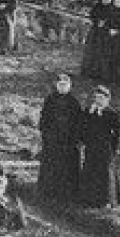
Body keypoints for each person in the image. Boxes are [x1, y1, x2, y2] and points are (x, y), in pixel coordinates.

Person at [37, 73, 82, 205]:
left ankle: (66, 194)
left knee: (66, 168)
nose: (62, 87)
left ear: (69, 86)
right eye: (60, 85)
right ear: (56, 86)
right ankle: (48, 193)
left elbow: (78, 123)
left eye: (65, 85)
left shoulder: (74, 102)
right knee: (51, 167)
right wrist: (46, 135)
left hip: (68, 143)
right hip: (52, 141)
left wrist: (74, 139)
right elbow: (44, 119)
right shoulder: (50, 100)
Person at [77, 85, 120, 209]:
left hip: (105, 147)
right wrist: (90, 115)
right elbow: (83, 127)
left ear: (107, 99)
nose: (98, 101)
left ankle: (106, 200)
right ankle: (88, 198)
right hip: (92, 146)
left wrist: (114, 149)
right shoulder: (89, 111)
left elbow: (116, 133)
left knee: (105, 173)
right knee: (90, 170)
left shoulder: (112, 113)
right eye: (97, 98)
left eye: (101, 98)